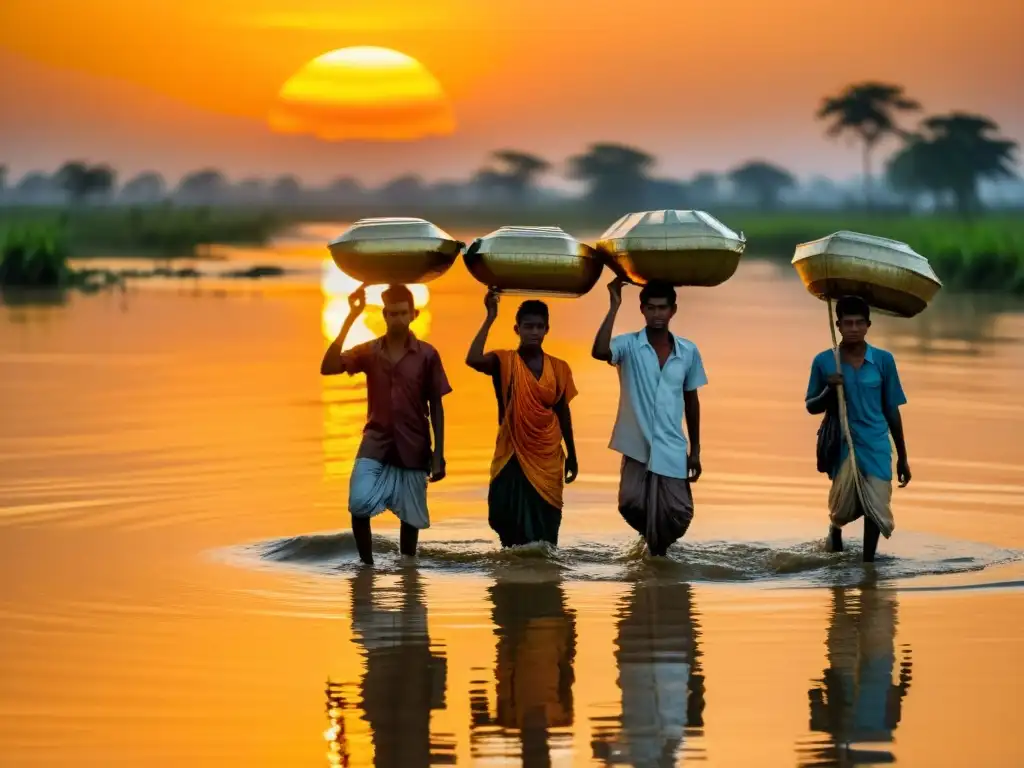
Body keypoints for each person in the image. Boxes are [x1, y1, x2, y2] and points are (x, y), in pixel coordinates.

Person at [320, 284, 451, 565]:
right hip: (375, 442)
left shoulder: (427, 355)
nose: (397, 319)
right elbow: (328, 367)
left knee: (411, 516)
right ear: (384, 315)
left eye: (403, 313)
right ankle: (366, 567)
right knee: (358, 503)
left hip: (414, 445)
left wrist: (438, 455)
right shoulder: (370, 351)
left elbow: (437, 406)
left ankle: (408, 567)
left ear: (414, 314)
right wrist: (351, 317)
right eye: (392, 313)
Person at [591, 278, 707, 557]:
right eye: (651, 308)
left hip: (672, 445)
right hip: (636, 444)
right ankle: (651, 544)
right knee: (630, 503)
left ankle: (658, 550)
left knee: (679, 512)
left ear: (673, 311)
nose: (657, 315)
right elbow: (599, 351)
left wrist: (696, 451)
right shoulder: (628, 346)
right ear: (642, 309)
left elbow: (692, 402)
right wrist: (614, 305)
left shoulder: (688, 351)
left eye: (662, 308)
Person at [466, 290, 579, 548]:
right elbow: (472, 358)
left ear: (547, 329)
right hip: (512, 452)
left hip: (548, 454)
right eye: (528, 326)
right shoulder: (503, 361)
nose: (534, 332)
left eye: (539, 327)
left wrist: (572, 454)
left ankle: (544, 577)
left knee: (547, 521)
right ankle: (513, 569)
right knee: (502, 513)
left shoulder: (559, 368)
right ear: (517, 328)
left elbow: (563, 412)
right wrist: (490, 316)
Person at [804, 295, 911, 562]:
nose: (853, 328)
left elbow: (892, 410)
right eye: (847, 323)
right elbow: (811, 406)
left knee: (875, 506)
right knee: (842, 508)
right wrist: (830, 389)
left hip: (876, 442)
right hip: (842, 445)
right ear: (837, 325)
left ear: (868, 325)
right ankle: (835, 529)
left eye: (859, 323)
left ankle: (868, 563)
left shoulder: (884, 361)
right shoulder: (824, 362)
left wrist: (903, 457)